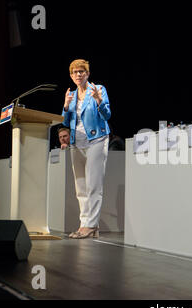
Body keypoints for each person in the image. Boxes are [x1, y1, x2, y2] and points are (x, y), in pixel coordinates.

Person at [62, 59, 111, 239]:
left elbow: (107, 115)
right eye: (75, 72)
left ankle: (90, 225)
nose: (78, 74)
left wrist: (99, 101)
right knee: (81, 187)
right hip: (77, 143)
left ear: (88, 74)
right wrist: (66, 106)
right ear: (71, 75)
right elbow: (66, 122)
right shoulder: (71, 95)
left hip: (96, 140)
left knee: (93, 185)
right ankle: (87, 224)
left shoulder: (98, 89)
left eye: (82, 71)